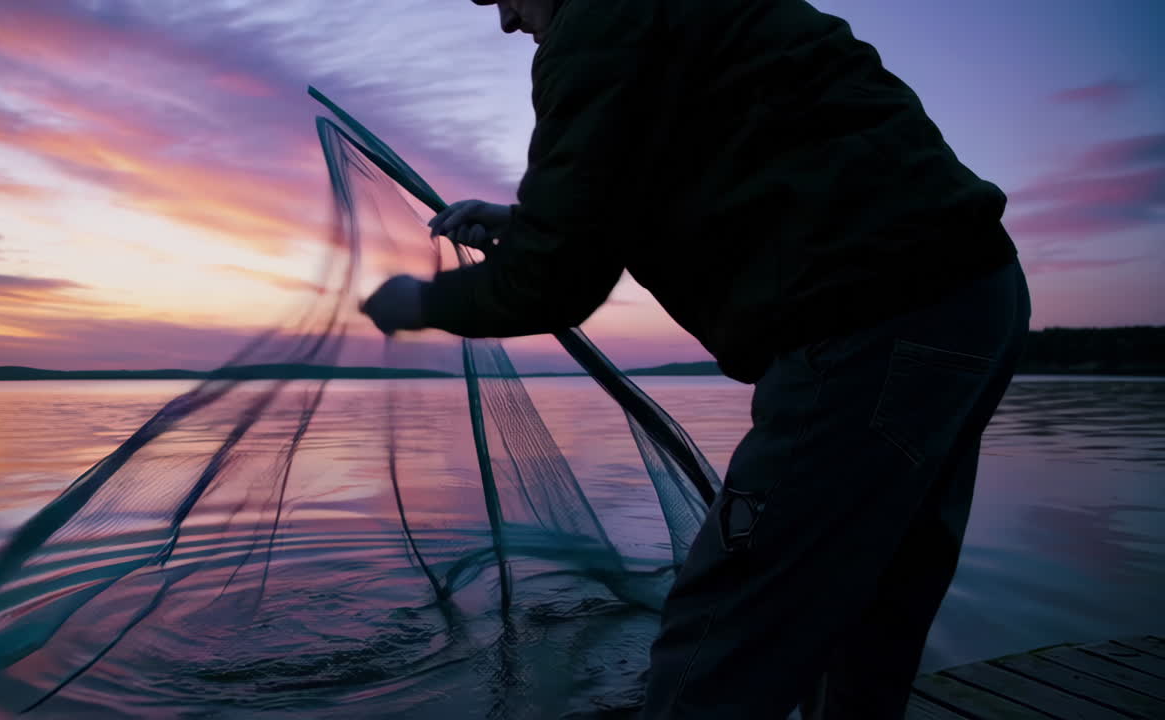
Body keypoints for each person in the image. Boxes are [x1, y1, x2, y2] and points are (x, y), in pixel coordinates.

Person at [360, 0, 1032, 718]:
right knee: (871, 602)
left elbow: (554, 282)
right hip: (973, 297)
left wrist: (421, 304)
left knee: (724, 629)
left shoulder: (600, 20)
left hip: (870, 324)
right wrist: (531, 226)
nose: (503, 20)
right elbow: (721, 149)